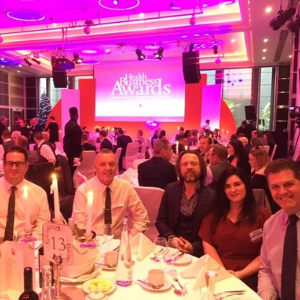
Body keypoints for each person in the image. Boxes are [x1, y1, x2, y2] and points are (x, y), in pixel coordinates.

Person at [199, 167, 271, 291]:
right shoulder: (214, 215)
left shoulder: (263, 215)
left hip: (252, 275)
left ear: (246, 186)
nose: (233, 190)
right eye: (227, 186)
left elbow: (266, 254)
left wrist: (239, 274)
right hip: (218, 271)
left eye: (237, 184)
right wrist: (223, 272)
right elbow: (208, 245)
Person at [72, 149, 149, 239]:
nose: (108, 168)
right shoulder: (83, 191)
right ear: (95, 167)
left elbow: (142, 218)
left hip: (118, 244)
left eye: (112, 164)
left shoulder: (125, 187)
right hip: (92, 243)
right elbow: (79, 226)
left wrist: (129, 240)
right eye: (103, 164)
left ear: (117, 166)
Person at [155, 150, 215, 257]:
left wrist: (194, 247)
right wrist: (172, 238)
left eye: (194, 163)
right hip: (171, 246)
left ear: (201, 168)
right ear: (179, 169)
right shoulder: (170, 189)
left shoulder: (211, 196)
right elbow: (161, 220)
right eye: (185, 164)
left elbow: (212, 232)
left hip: (197, 251)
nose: (189, 167)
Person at [258, 159, 300, 300]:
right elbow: (266, 270)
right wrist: (267, 296)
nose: (282, 192)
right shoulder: (270, 225)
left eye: (288, 184)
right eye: (275, 187)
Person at [0, 146, 50, 242]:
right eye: (10, 163)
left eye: (19, 164)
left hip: (27, 245)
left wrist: (28, 242)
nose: (14, 168)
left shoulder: (39, 193)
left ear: (26, 166)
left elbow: (43, 226)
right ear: (4, 165)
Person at [249, 146, 280, 214]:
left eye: (251, 159)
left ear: (258, 160)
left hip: (266, 210)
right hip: (278, 206)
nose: (249, 161)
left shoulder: (258, 178)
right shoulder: (271, 170)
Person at [63, 107, 82, 175]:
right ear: (77, 115)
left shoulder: (67, 125)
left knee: (70, 168)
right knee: (74, 170)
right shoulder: (76, 127)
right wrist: (80, 153)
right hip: (74, 151)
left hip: (68, 150)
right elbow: (77, 142)